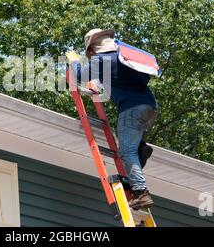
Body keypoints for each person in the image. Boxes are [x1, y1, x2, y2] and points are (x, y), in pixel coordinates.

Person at [66, 28, 158, 210]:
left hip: (131, 108)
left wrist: (75, 62)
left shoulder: (102, 60)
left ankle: (141, 192)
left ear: (93, 49)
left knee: (126, 152)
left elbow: (80, 76)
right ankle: (141, 149)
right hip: (150, 107)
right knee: (132, 145)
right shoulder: (124, 56)